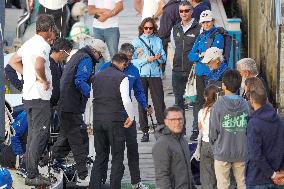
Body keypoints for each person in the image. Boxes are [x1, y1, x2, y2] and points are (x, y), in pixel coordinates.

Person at [8, 14, 56, 186]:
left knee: (32, 137)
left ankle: (29, 170)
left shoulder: (28, 43)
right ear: (50, 29)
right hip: (39, 97)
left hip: (28, 97)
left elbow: (13, 62)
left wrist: (29, 76)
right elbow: (38, 65)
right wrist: (42, 79)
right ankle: (32, 174)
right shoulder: (43, 45)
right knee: (39, 135)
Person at [98, 43, 151, 189]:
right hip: (110, 115)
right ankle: (103, 181)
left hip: (127, 114)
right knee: (109, 150)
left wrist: (145, 105)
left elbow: (139, 91)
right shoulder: (106, 67)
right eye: (124, 58)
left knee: (133, 148)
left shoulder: (134, 69)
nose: (126, 62)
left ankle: (136, 182)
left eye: (129, 58)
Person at [58, 38, 101, 187]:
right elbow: (79, 80)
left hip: (65, 105)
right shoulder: (87, 59)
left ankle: (46, 162)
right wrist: (93, 95)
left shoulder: (78, 56)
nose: (100, 59)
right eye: (100, 56)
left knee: (64, 140)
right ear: (95, 52)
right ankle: (83, 176)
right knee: (79, 141)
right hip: (71, 106)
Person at [90, 53, 135, 189]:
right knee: (117, 156)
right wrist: (131, 116)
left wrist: (90, 121)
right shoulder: (122, 77)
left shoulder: (96, 76)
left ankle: (95, 186)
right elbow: (126, 100)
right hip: (115, 120)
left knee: (100, 156)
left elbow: (91, 100)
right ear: (123, 64)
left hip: (98, 119)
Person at [209, 70, 250, 189]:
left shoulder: (217, 105)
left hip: (222, 151)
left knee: (223, 185)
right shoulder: (246, 104)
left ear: (223, 85)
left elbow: (213, 131)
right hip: (242, 151)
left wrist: (215, 146)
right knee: (243, 184)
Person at [188, 9, 224, 141]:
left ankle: (213, 127)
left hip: (212, 74)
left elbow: (214, 55)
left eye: (208, 22)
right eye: (203, 23)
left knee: (213, 100)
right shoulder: (200, 36)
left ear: (213, 21)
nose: (206, 25)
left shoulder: (218, 36)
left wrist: (201, 55)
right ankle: (196, 128)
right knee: (199, 101)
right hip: (200, 73)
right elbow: (190, 56)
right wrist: (200, 55)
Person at [132, 17, 167, 142]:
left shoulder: (157, 40)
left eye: (150, 28)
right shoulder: (136, 42)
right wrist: (147, 59)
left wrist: (158, 58)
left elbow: (163, 57)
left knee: (159, 103)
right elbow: (132, 61)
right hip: (141, 75)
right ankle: (145, 131)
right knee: (142, 103)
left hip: (155, 75)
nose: (148, 30)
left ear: (154, 29)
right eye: (145, 28)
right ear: (142, 28)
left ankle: (161, 128)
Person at [245, 79, 284, 189]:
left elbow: (255, 154)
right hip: (279, 175)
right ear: (266, 99)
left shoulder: (254, 123)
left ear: (252, 100)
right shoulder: (280, 121)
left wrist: (272, 174)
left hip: (258, 177)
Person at [171, 1, 200, 119]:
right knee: (178, 103)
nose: (184, 13)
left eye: (186, 10)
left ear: (191, 11)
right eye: (181, 11)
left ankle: (195, 130)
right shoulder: (175, 28)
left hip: (192, 71)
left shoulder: (199, 28)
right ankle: (180, 133)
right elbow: (174, 47)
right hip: (177, 70)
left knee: (197, 101)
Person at [152, 106, 193, 189]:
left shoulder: (183, 140)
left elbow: (188, 171)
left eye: (180, 119)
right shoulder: (162, 144)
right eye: (173, 120)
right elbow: (161, 176)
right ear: (166, 122)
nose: (177, 122)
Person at [198, 84, 218, 189]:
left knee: (207, 177)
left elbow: (200, 128)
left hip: (205, 144)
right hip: (218, 144)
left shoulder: (202, 112)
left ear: (206, 97)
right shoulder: (220, 110)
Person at [158, 0, 181, 74]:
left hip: (170, 38)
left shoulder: (169, 9)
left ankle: (162, 72)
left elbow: (164, 31)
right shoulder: (183, 5)